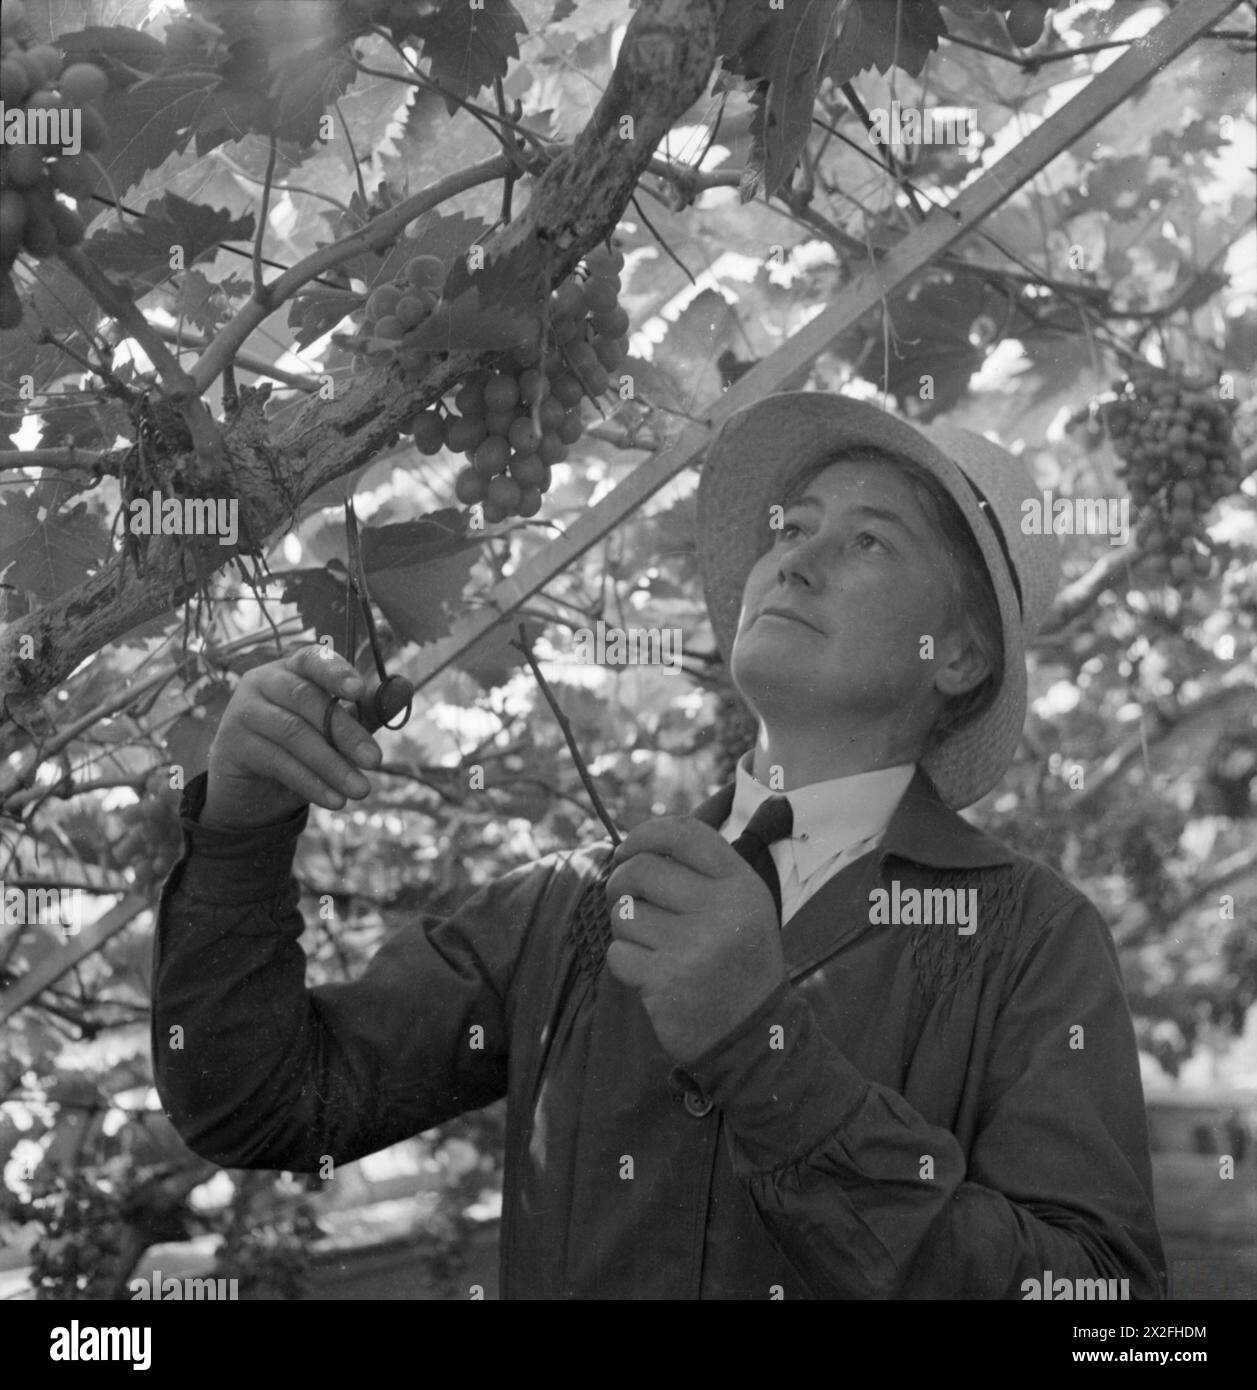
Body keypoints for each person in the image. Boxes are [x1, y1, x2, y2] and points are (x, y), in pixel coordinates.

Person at [151, 391, 1167, 1300]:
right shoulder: (569, 902)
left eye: (868, 541)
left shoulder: (1032, 938)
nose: (797, 558)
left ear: (958, 655)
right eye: (792, 526)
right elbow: (263, 1103)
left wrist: (769, 1059)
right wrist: (240, 830)